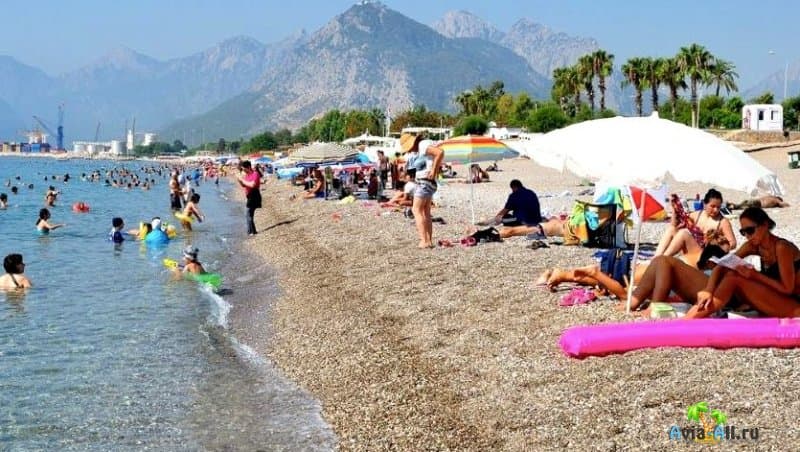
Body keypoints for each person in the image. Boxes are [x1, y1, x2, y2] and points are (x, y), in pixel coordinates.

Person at [686, 207, 800, 318]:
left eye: (750, 231)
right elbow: (722, 265)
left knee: (734, 278)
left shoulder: (781, 247)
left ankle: (688, 320)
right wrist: (708, 290)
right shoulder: (753, 246)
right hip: (778, 299)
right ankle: (690, 317)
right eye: (743, 232)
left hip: (795, 305)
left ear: (765, 225)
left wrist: (755, 275)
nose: (747, 236)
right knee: (731, 273)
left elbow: (787, 289)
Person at [654, 188, 736, 268]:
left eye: (718, 207)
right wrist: (674, 209)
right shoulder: (697, 215)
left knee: (683, 233)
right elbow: (675, 224)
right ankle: (656, 258)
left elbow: (733, 243)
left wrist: (717, 241)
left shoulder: (723, 222)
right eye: (713, 206)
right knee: (671, 229)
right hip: (692, 248)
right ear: (705, 204)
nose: (715, 210)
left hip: (705, 254)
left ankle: (662, 259)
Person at [402, 133, 445, 248]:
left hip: (425, 182)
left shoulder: (423, 145)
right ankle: (429, 241)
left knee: (416, 210)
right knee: (425, 211)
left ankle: (424, 240)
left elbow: (440, 152)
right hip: (428, 182)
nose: (410, 150)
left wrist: (434, 170)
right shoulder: (421, 148)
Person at [237, 160, 261, 235]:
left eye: (244, 169)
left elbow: (252, 185)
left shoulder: (255, 174)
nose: (243, 171)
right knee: (249, 214)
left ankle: (251, 232)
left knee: (248, 213)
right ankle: (252, 231)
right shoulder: (247, 175)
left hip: (254, 195)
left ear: (249, 167)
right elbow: (244, 185)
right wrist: (239, 181)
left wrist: (242, 180)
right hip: (249, 196)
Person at [726, 195, 790, 210]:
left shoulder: (770, 196)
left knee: (743, 206)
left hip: (757, 202)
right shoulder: (776, 200)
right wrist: (788, 205)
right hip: (758, 203)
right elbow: (783, 204)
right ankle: (733, 205)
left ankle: (732, 206)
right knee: (744, 205)